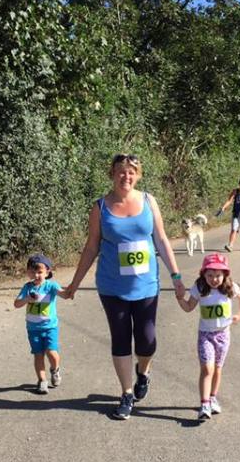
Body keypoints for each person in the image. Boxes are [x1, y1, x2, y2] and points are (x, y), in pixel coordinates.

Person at [66, 154, 186, 420]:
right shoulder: (100, 207)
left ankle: (143, 372)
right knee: (120, 337)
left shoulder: (149, 201)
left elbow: (161, 239)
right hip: (112, 286)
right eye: (121, 171)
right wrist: (75, 283)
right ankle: (127, 393)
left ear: (138, 175)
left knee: (147, 339)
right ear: (112, 173)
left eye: (131, 172)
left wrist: (176, 277)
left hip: (146, 284)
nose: (126, 176)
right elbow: (91, 247)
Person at [176, 252, 240, 422]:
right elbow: (188, 307)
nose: (214, 279)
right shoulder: (200, 288)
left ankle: (213, 397)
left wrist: (239, 315)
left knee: (217, 369)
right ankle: (204, 404)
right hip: (205, 335)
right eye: (210, 275)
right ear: (203, 274)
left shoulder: (230, 288)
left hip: (223, 335)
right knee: (207, 369)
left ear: (225, 275)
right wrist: (180, 298)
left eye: (218, 275)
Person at [14, 254, 71, 394]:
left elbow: (63, 294)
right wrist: (27, 299)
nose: (36, 275)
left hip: (50, 327)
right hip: (33, 329)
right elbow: (16, 304)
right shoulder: (27, 288)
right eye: (32, 272)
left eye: (39, 272)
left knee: (51, 352)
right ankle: (42, 380)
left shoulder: (51, 286)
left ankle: (55, 369)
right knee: (38, 355)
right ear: (28, 272)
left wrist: (69, 291)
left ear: (47, 272)